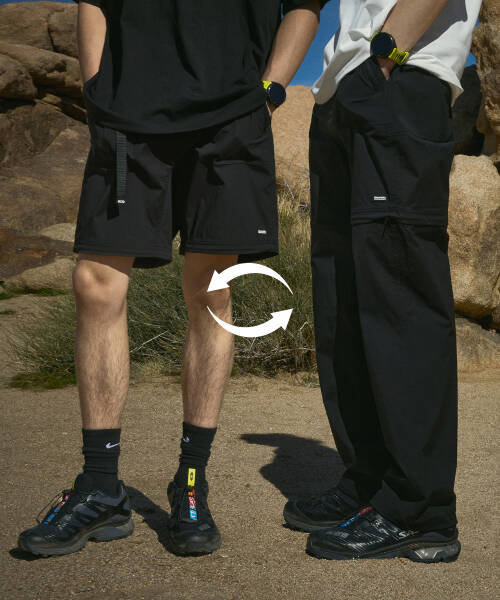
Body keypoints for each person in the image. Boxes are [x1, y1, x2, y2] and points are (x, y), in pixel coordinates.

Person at [17, 0, 327, 558]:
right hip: (129, 112)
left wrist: (271, 91)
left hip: (232, 117)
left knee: (212, 291)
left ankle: (190, 481)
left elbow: (304, 5)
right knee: (95, 281)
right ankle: (100, 486)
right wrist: (97, 88)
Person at [283, 0, 482, 562]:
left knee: (401, 302)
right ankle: (369, 481)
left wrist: (384, 56)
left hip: (400, 76)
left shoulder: (389, 66)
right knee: (344, 303)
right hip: (346, 91)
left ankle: (419, 510)